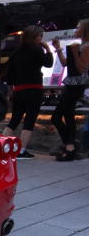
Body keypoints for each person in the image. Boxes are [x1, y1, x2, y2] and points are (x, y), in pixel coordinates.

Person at [2, 25, 54, 159]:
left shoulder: (16, 51)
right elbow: (48, 63)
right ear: (35, 37)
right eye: (40, 36)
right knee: (29, 120)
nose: (41, 38)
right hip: (34, 89)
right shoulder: (36, 49)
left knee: (14, 120)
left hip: (18, 90)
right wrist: (48, 49)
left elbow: (9, 74)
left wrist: (11, 90)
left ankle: (0, 145)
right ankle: (21, 150)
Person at [51, 19, 89, 161]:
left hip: (77, 86)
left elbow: (82, 69)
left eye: (78, 27)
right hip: (71, 85)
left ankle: (69, 145)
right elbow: (65, 63)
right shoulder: (79, 46)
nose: (75, 29)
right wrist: (59, 48)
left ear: (85, 29)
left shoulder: (86, 47)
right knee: (68, 115)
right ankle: (70, 146)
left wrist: (74, 51)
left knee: (56, 117)